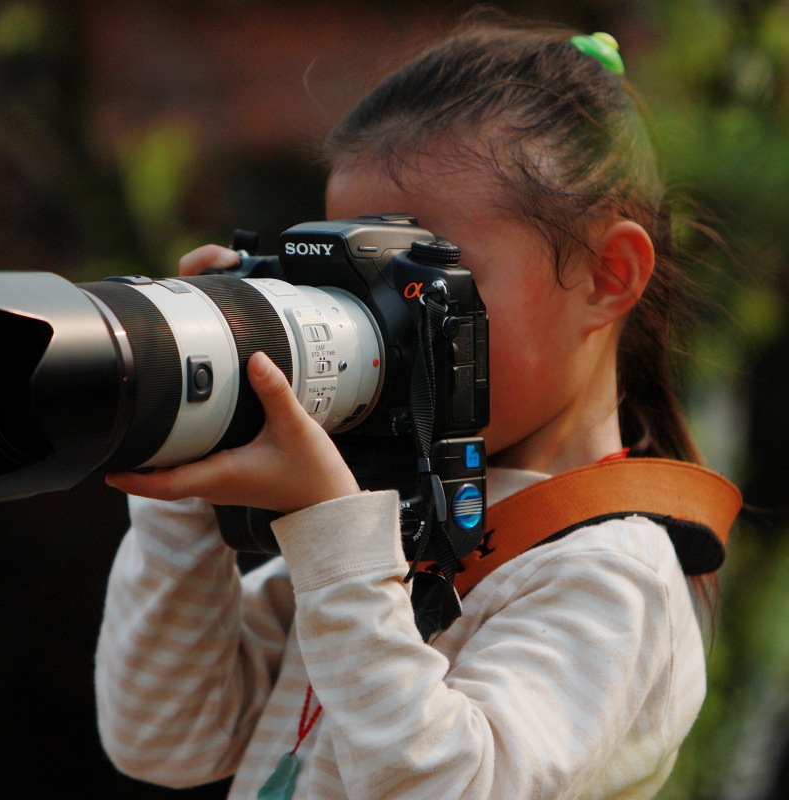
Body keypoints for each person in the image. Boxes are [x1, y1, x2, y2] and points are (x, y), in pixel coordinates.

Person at [94, 11, 722, 798]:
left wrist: (335, 539)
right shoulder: (390, 523)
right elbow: (166, 737)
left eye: (430, 279)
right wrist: (190, 436)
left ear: (607, 276)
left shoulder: (609, 574)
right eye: (361, 282)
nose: (386, 324)